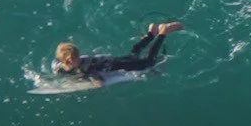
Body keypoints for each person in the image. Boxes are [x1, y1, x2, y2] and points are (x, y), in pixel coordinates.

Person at [54, 22, 182, 85]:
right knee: (133, 54)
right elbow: (60, 67)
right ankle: (150, 34)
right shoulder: (61, 65)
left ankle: (162, 32)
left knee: (149, 62)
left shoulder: (87, 68)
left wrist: (95, 84)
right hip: (114, 61)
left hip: (120, 65)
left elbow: (100, 82)